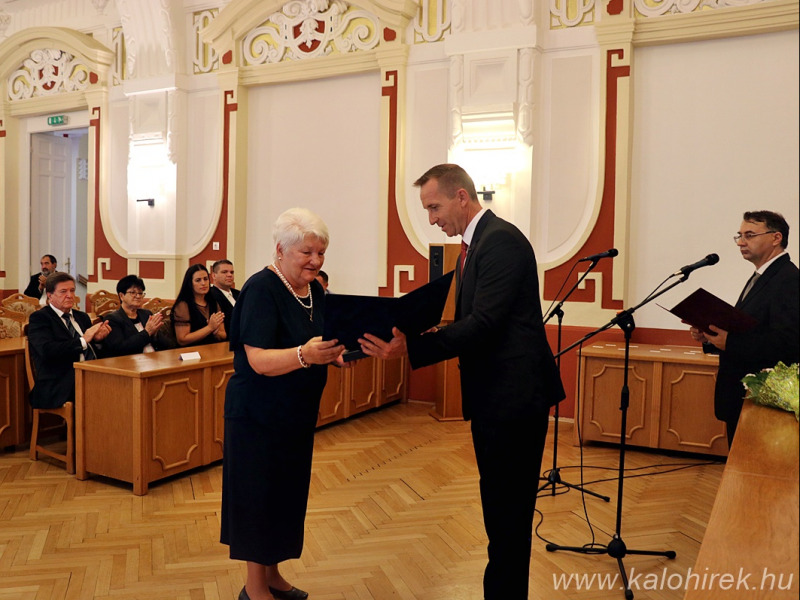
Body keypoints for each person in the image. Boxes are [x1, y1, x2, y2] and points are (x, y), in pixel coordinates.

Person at [359, 164, 565, 600]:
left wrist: (410, 348)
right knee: (498, 507)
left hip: (513, 399)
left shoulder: (500, 242)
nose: (432, 219)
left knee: (507, 512)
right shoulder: (474, 247)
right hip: (495, 397)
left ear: (462, 198)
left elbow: (485, 324)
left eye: (434, 207)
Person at [220, 207, 345, 600]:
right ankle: (254, 589)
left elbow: (320, 340)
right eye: (307, 252)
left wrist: (338, 353)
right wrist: (306, 356)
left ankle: (273, 576)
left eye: (321, 253)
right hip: (258, 417)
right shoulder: (261, 288)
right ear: (281, 249)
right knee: (259, 499)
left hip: (294, 416)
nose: (316, 260)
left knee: (285, 496)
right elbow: (257, 360)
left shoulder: (314, 291)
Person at [689, 210, 799, 446]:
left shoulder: (789, 279)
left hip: (765, 398)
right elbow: (748, 329)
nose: (741, 242)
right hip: (742, 394)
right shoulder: (761, 276)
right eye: (739, 235)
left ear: (776, 238)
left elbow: (788, 344)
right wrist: (710, 336)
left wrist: (730, 342)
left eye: (749, 235)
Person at [27, 272, 112, 409]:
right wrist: (83, 340)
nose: (70, 295)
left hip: (91, 373)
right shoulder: (40, 318)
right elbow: (47, 351)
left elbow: (95, 348)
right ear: (50, 296)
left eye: (72, 290)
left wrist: (98, 341)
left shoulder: (81, 317)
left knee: (120, 382)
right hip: (59, 381)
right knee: (104, 388)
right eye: (63, 291)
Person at [99, 275, 166, 358]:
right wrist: (147, 332)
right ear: (121, 296)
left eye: (140, 293)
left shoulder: (146, 314)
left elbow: (167, 345)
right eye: (133, 293)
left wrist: (155, 335)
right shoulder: (112, 319)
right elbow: (120, 349)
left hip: (154, 359)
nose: (138, 296)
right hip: (130, 364)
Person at [172, 264, 227, 347]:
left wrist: (217, 333)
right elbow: (182, 339)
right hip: (191, 353)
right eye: (198, 280)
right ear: (190, 283)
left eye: (206, 279)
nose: (203, 283)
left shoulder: (213, 302)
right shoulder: (183, 306)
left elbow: (223, 334)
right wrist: (210, 328)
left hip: (212, 350)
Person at [209, 259, 240, 331]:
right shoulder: (210, 295)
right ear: (214, 275)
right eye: (224, 272)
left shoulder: (239, 294)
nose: (229, 275)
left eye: (232, 272)